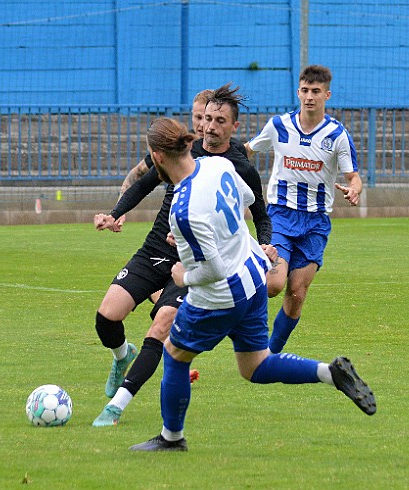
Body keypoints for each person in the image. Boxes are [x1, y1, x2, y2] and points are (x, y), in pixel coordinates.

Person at [129, 117, 375, 452]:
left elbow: (212, 270)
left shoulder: (182, 209)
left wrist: (182, 276)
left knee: (173, 353)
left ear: (157, 157)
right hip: (253, 277)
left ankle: (172, 438)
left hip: (219, 297)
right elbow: (243, 200)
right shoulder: (216, 165)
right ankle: (329, 373)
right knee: (255, 365)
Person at [91, 85, 273, 427]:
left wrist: (262, 243)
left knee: (161, 327)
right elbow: (143, 183)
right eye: (203, 119)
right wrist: (116, 212)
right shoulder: (182, 153)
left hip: (193, 259)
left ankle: (115, 407)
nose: (208, 126)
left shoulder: (236, 165)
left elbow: (259, 214)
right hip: (157, 248)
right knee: (106, 317)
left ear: (233, 125)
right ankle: (121, 355)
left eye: (217, 119)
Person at [244, 64, 363, 354]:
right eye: (305, 91)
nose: (310, 96)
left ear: (327, 95)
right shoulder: (278, 126)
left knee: (296, 293)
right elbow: (247, 149)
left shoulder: (337, 134)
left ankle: (270, 354)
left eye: (316, 91)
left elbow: (354, 177)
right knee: (273, 285)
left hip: (315, 223)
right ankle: (241, 310)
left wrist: (355, 190)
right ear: (298, 92)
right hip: (280, 216)